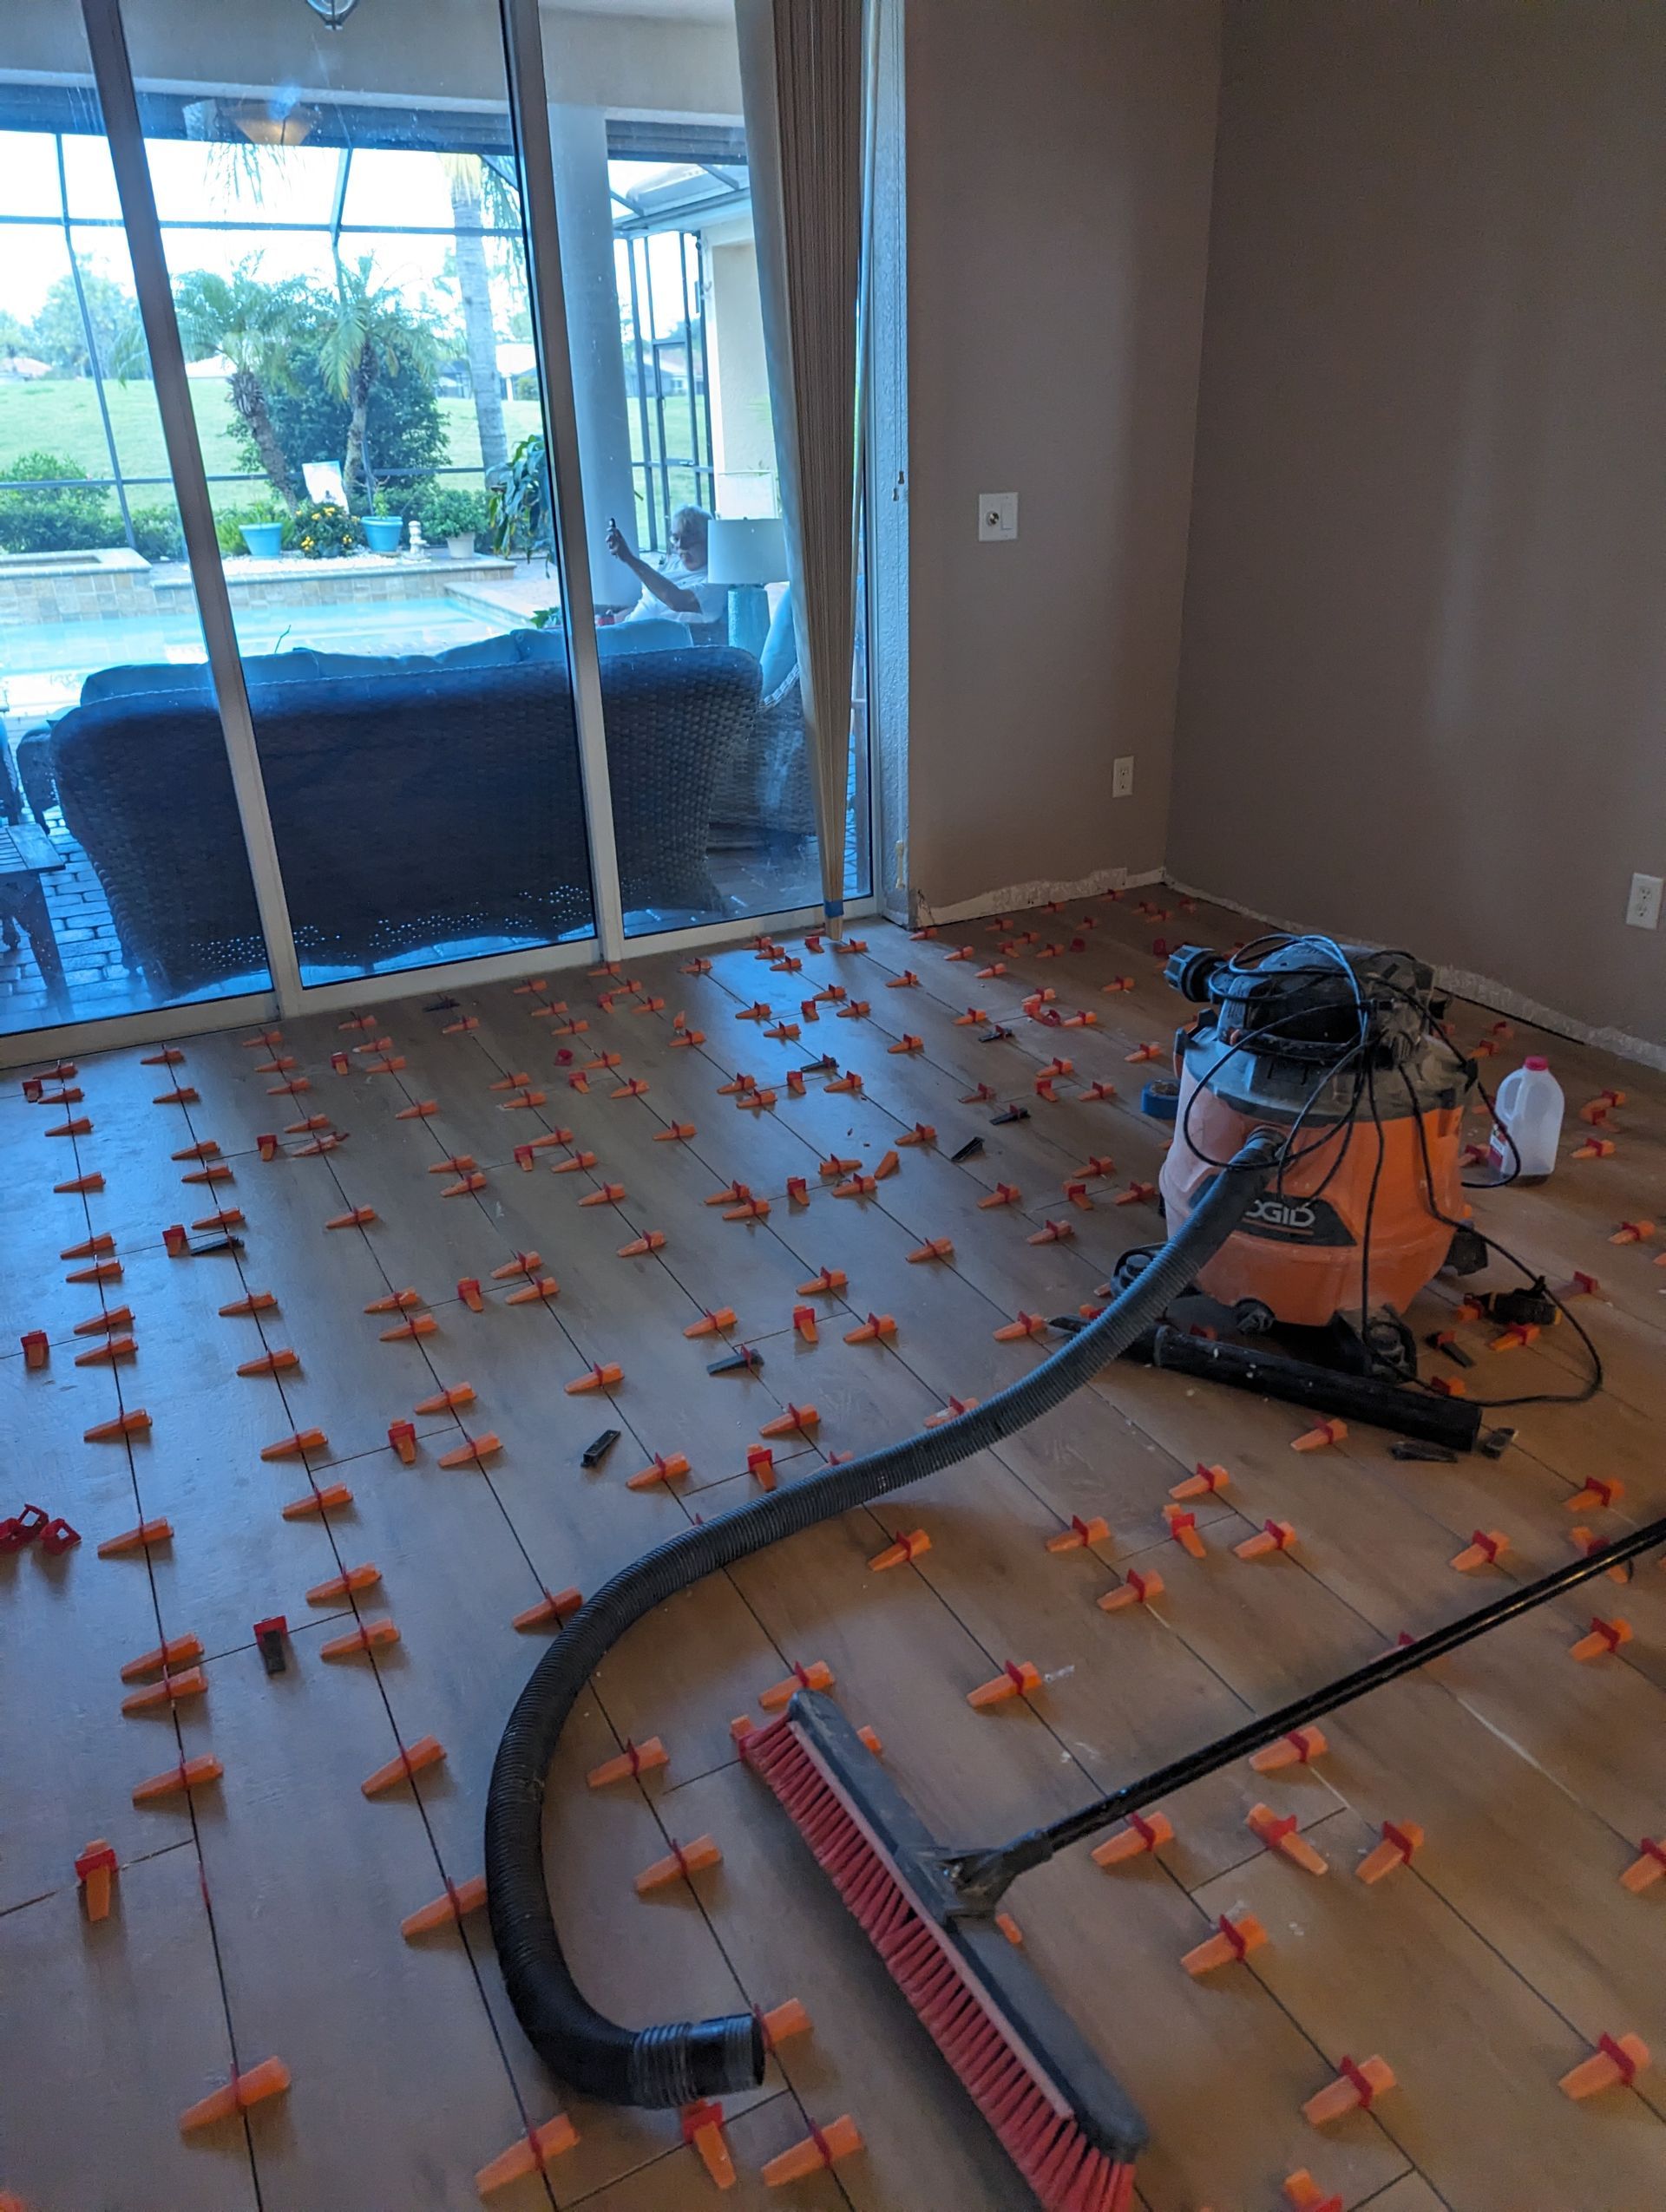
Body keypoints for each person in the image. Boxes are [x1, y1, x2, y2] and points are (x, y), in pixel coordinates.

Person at [605, 506, 727, 629]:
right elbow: (651, 604)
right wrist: (611, 620)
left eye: (689, 537)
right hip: (626, 632)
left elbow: (676, 601)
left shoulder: (716, 581)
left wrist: (629, 559)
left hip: (654, 645)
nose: (680, 545)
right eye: (676, 538)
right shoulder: (672, 565)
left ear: (709, 538)